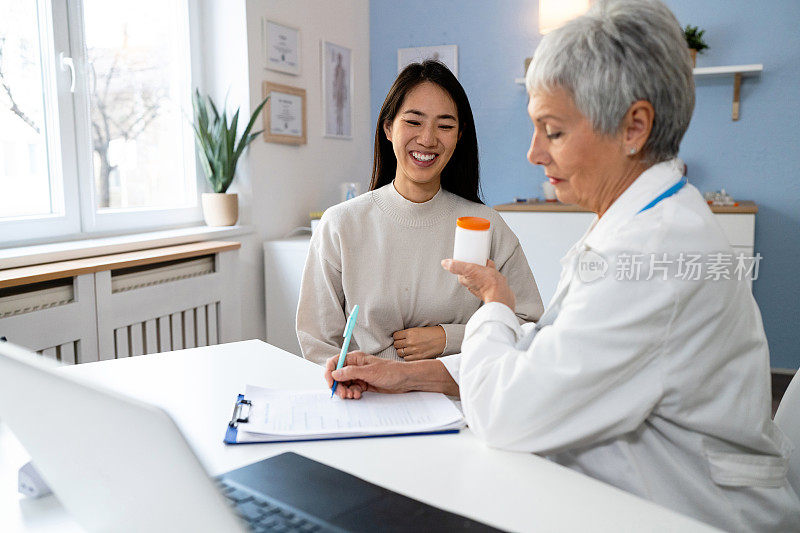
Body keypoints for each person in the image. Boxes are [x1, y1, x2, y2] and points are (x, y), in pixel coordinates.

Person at [322, 1, 800, 530]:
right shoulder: (641, 224)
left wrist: (494, 308)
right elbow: (545, 358)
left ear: (633, 127)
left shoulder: (654, 253)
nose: (533, 153)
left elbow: (507, 411)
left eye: (552, 130)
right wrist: (409, 375)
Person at [297, 60, 544, 366]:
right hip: (369, 397)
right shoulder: (340, 225)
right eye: (414, 122)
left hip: (457, 396)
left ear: (459, 135)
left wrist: (451, 337)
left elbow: (528, 326)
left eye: (445, 125)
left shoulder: (486, 225)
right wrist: (353, 379)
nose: (428, 139)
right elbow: (317, 342)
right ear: (389, 127)